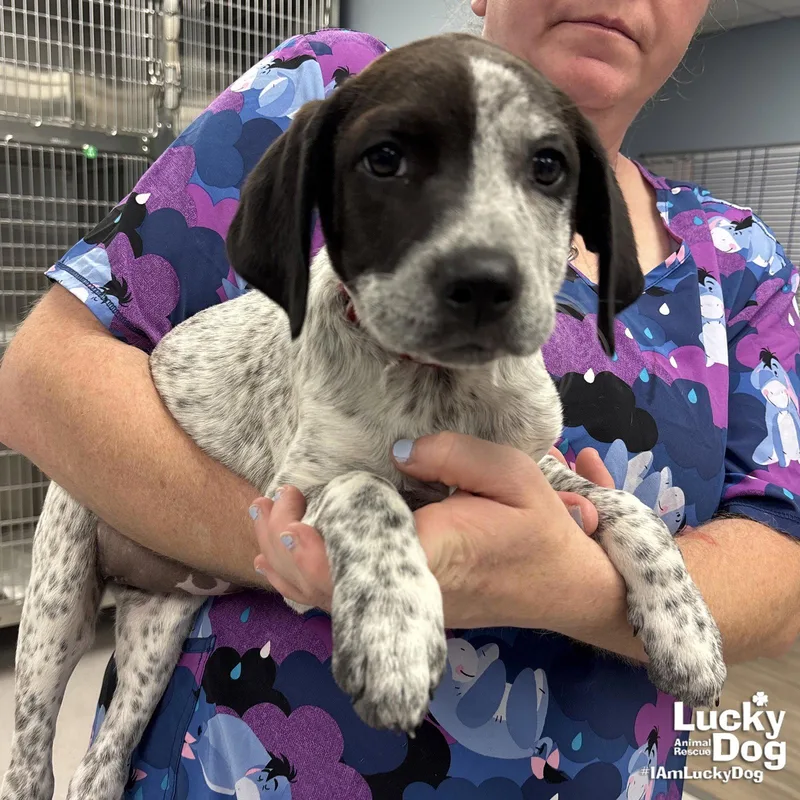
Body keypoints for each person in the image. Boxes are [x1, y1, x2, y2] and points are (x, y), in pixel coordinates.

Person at [1, 1, 799, 797]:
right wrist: (311, 553)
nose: (482, 261)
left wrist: (572, 577)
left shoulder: (740, 262)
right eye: (389, 160)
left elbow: (777, 559)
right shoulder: (325, 85)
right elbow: (36, 382)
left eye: (546, 170)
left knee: (106, 752)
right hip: (240, 757)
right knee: (39, 738)